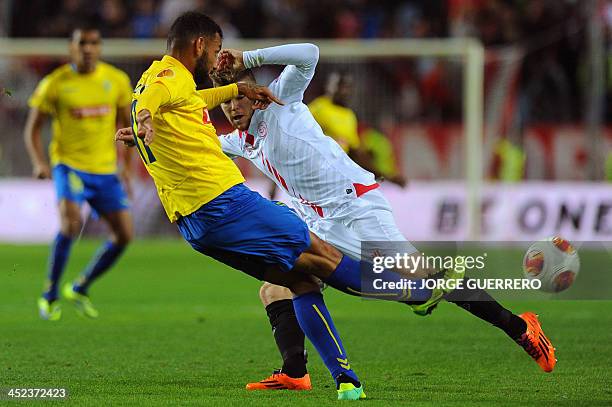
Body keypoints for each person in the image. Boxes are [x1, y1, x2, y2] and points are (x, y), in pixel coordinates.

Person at [207, 43, 557, 390]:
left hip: (356, 207)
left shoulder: (281, 101)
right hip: (319, 223)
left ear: (255, 96)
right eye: (226, 101)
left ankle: (520, 328)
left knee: (423, 275)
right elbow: (197, 138)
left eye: (238, 98)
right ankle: (295, 372)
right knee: (275, 289)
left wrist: (249, 58)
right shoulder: (241, 140)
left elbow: (310, 53)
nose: (232, 107)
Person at [25, 24, 134, 321]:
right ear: (71, 48)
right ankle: (49, 294)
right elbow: (33, 129)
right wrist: (38, 162)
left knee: (124, 235)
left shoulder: (116, 80)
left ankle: (81, 286)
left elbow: (126, 128)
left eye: (93, 43)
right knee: (71, 224)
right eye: (82, 43)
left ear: (100, 47)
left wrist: (125, 168)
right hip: (69, 165)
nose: (88, 48)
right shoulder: (55, 83)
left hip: (105, 170)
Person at [309, 72, 406, 187]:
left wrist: (386, 176)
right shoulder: (317, 108)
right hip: (316, 171)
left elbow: (354, 153)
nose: (344, 91)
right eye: (340, 86)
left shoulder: (349, 116)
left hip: (338, 175)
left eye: (347, 87)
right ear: (329, 86)